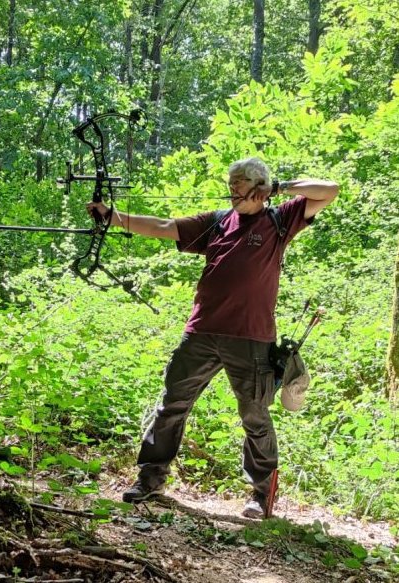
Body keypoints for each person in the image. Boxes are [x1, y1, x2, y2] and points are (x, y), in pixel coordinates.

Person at [86, 157, 338, 519]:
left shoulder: (280, 220)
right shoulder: (217, 221)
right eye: (231, 183)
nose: (232, 190)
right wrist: (114, 216)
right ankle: (151, 478)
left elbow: (329, 191)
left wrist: (280, 187)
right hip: (202, 331)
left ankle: (261, 494)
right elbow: (164, 226)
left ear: (259, 187)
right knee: (172, 402)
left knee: (254, 414)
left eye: (240, 184)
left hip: (251, 338)